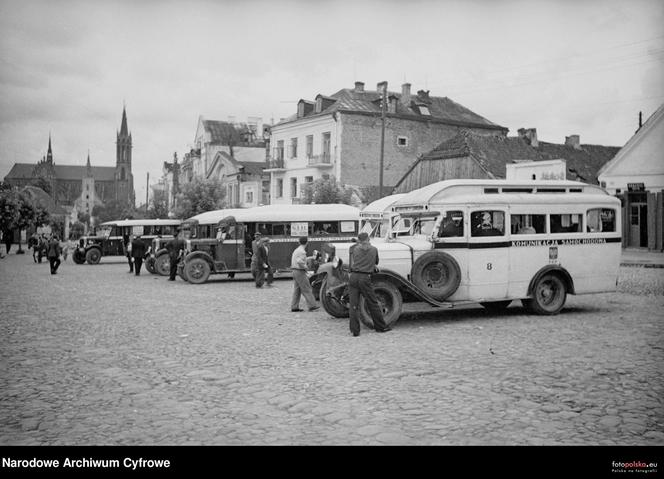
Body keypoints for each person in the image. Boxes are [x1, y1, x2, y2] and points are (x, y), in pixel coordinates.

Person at [348, 232, 391, 337]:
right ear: (368, 239)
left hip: (353, 277)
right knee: (372, 302)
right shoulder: (374, 249)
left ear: (359, 240)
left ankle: (355, 330)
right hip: (365, 278)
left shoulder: (354, 249)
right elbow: (376, 262)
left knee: (353, 305)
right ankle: (381, 327)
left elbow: (351, 263)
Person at [290, 236, 319, 312]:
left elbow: (299, 259)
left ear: (299, 242)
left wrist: (309, 258)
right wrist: (306, 267)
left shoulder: (297, 250)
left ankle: (294, 307)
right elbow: (299, 261)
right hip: (300, 271)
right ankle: (312, 305)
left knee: (297, 290)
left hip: (294, 271)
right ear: (307, 242)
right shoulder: (302, 251)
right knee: (307, 288)